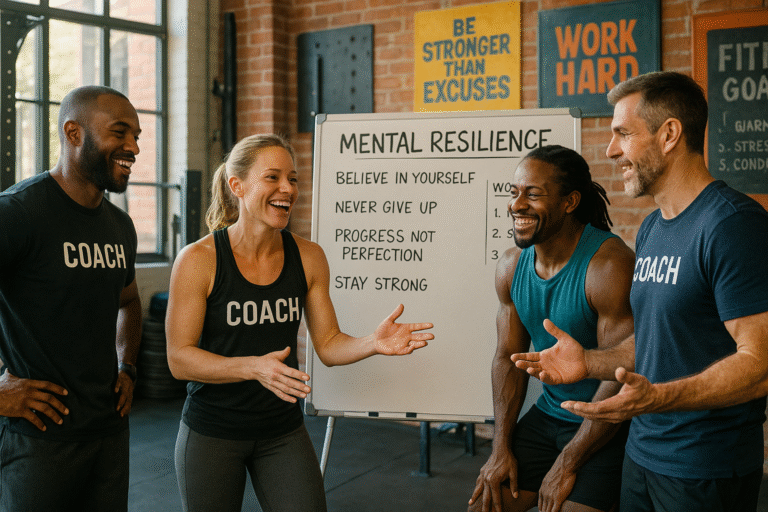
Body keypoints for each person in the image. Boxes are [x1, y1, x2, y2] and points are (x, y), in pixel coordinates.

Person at [512, 71, 768, 512]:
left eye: (623, 134)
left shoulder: (732, 225)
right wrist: (590, 361)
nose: (611, 150)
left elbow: (760, 363)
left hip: (703, 468)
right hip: (642, 453)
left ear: (669, 134)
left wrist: (661, 397)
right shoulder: (652, 227)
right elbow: (654, 344)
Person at [165, 133, 434, 512]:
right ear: (236, 186)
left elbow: (328, 345)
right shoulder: (199, 260)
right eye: (272, 177)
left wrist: (372, 342)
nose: (287, 189)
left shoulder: (308, 257)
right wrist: (254, 368)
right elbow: (179, 359)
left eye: (292, 179)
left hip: (281, 430)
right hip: (213, 431)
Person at [467, 145, 635, 512]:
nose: (517, 205)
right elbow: (506, 359)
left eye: (533, 194)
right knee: (484, 506)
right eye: (514, 193)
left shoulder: (608, 266)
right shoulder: (511, 267)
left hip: (606, 425)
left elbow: (621, 372)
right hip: (549, 416)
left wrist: (568, 460)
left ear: (570, 202)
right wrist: (500, 447)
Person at [0, 85, 142, 511]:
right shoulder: (18, 213)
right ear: (74, 133)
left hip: (108, 433)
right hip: (38, 440)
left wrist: (127, 366)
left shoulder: (120, 226)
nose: (133, 147)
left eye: (137, 135)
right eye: (120, 133)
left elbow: (130, 302)